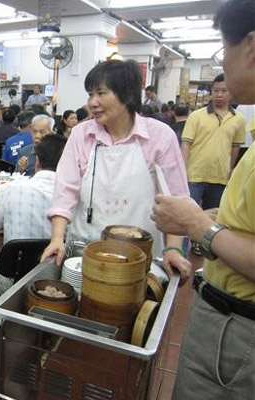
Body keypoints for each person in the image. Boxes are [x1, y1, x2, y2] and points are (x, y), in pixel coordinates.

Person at [153, 2, 255, 398]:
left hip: (238, 334)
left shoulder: (239, 121)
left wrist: (201, 226)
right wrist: (221, 218)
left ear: (250, 46)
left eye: (223, 49)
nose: (224, 64)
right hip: (224, 315)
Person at [40, 59, 191, 285]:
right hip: (85, 254)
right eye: (90, 95)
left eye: (101, 93)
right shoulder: (82, 134)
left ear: (128, 95)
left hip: (139, 259)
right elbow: (65, 191)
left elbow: (176, 201)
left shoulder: (160, 137)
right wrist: (57, 237)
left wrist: (173, 249)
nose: (93, 102)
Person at [0, 135, 67, 296]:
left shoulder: (10, 188)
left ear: (36, 161)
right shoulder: (74, 196)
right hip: (55, 283)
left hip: (12, 279)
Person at [181, 73, 246, 210]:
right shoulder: (196, 116)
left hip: (219, 178)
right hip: (194, 176)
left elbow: (235, 147)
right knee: (187, 212)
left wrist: (228, 169)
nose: (219, 94)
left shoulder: (238, 119)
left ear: (231, 92)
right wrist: (183, 170)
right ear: (211, 92)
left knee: (212, 218)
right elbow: (186, 144)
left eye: (224, 91)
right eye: (216, 91)